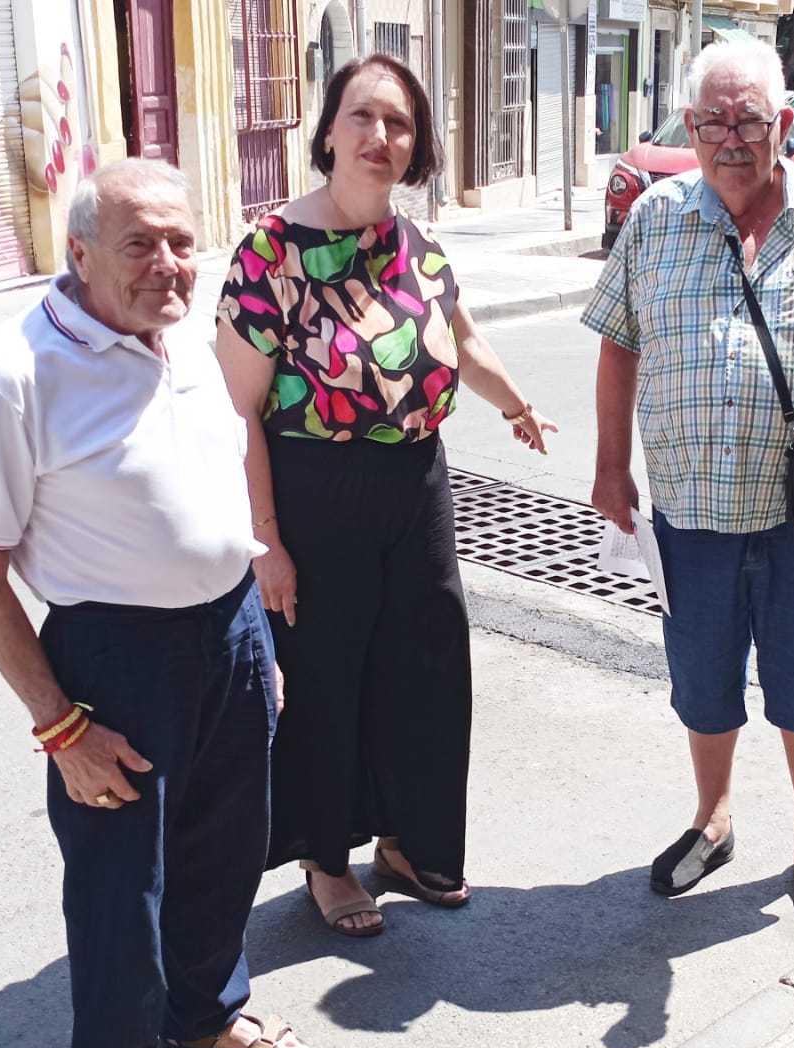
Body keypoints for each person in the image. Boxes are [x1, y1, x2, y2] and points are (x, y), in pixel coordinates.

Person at [0, 159, 310, 1048]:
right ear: (79, 253)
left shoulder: (187, 338)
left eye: (183, 241)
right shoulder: (16, 374)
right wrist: (61, 727)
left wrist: (250, 641)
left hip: (227, 630)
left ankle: (204, 1013)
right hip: (114, 655)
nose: (167, 263)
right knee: (119, 883)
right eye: (138, 243)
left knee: (226, 848)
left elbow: (221, 472)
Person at [214, 54, 557, 938]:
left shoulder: (419, 245)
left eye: (398, 124)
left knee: (428, 663)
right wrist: (265, 542)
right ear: (328, 130)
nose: (379, 137)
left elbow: (464, 339)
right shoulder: (271, 250)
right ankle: (327, 862)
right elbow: (236, 411)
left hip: (417, 486)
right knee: (327, 677)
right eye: (362, 117)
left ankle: (409, 842)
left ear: (416, 146)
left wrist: (515, 402)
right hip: (313, 492)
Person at [582, 40, 794, 923]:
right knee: (703, 679)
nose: (732, 137)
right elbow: (619, 347)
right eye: (714, 121)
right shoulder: (655, 219)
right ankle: (714, 819)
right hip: (691, 508)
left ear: (783, 125)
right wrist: (610, 466)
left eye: (750, 120)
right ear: (691, 127)